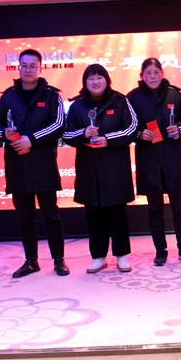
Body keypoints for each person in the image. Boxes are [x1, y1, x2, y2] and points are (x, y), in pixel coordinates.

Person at [0, 49, 69, 278]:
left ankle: (59, 260)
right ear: (18, 68)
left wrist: (31, 140)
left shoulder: (52, 96)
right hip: (17, 166)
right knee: (25, 217)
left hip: (43, 165)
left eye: (32, 66)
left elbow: (59, 126)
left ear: (40, 68)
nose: (27, 69)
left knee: (51, 215)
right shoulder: (8, 96)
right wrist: (4, 133)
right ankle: (31, 261)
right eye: (23, 65)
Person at [63, 64, 138, 273]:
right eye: (91, 78)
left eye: (99, 77)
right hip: (89, 168)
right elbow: (66, 134)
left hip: (115, 168)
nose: (95, 82)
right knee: (94, 214)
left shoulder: (121, 101)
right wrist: (84, 133)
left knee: (117, 213)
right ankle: (98, 257)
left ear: (107, 80)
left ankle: (122, 256)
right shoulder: (77, 106)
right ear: (85, 82)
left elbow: (132, 128)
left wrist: (108, 139)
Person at [127, 58, 181, 265]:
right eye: (148, 73)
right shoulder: (132, 97)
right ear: (142, 76)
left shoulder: (174, 94)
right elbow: (126, 126)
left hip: (173, 157)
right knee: (154, 208)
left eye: (156, 72)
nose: (153, 76)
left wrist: (179, 128)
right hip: (148, 158)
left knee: (180, 207)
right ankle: (160, 251)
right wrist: (140, 134)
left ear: (162, 74)